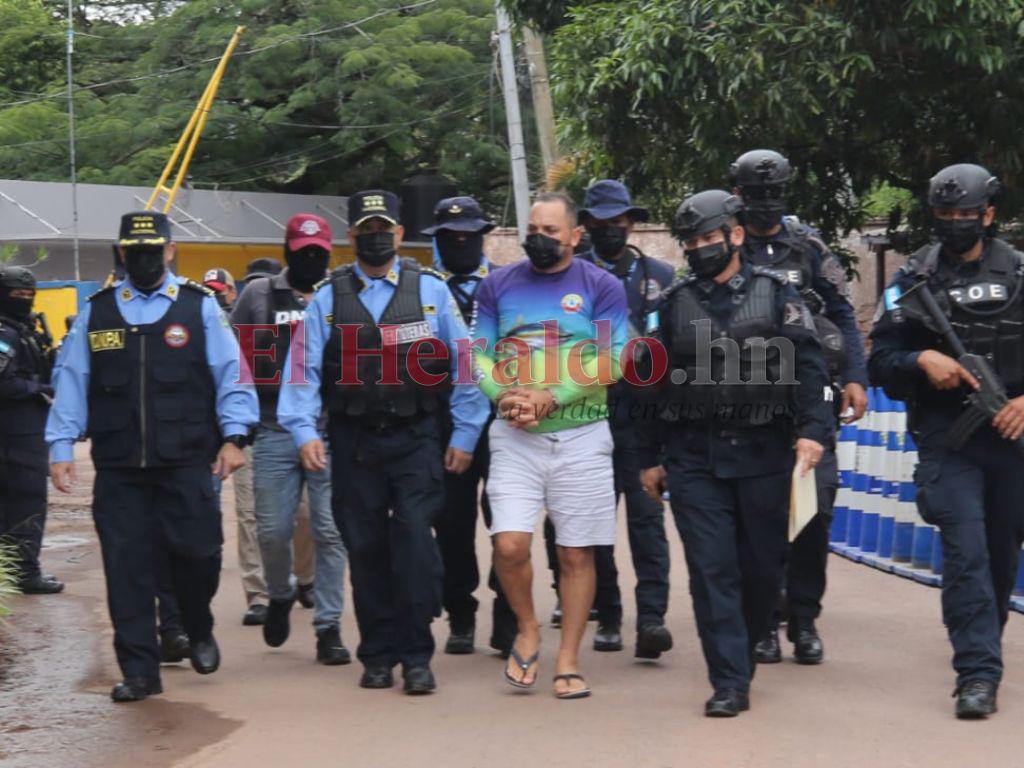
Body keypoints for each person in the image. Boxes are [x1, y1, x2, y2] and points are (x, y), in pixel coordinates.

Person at [279, 190, 489, 695]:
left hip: (417, 438)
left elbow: (466, 369)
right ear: (351, 237)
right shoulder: (329, 298)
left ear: (399, 233)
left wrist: (464, 433)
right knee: (367, 549)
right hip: (355, 443)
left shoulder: (432, 292)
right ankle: (377, 653)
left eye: (384, 227)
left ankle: (417, 656)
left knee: (416, 545)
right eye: (365, 228)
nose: (376, 236)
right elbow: (302, 372)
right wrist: (304, 431)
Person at [46, 211, 259, 703]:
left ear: (168, 251)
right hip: (121, 468)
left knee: (199, 556)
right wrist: (60, 447)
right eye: (133, 252)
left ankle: (197, 625)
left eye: (152, 251)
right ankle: (140, 670)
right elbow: (72, 382)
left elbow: (232, 376)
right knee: (127, 570)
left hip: (187, 462)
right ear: (122, 254)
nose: (143, 260)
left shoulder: (198, 307)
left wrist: (234, 437)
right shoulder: (97, 313)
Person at [638, 190, 831, 717]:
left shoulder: (777, 296)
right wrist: (647, 457)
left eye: (709, 238)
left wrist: (814, 430)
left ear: (736, 235)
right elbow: (645, 384)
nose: (702, 249)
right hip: (695, 457)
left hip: (766, 454)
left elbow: (810, 367)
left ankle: (741, 656)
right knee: (711, 569)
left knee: (761, 570)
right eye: (692, 242)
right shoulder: (672, 305)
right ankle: (727, 679)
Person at [869, 163, 1024, 719]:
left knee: (1002, 556)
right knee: (968, 553)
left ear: (989, 214)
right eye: (945, 215)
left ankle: (984, 634)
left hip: (1010, 439)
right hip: (948, 440)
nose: (956, 224)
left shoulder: (1020, 273)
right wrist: (921, 358)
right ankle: (977, 674)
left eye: (966, 215)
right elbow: (880, 359)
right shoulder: (913, 279)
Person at [473, 191, 629, 699]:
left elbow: (615, 358)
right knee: (509, 545)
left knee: (575, 554)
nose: (539, 239)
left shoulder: (602, 286)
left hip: (583, 436)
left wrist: (551, 396)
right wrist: (507, 398)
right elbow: (479, 354)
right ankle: (528, 626)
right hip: (515, 438)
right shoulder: (495, 286)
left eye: (551, 231)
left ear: (575, 236)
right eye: (533, 230)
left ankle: (568, 658)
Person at [729, 149, 869, 665]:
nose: (766, 204)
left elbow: (843, 314)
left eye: (775, 193)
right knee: (762, 516)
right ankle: (764, 621)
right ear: (739, 195)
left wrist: (855, 375)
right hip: (750, 401)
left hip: (813, 394)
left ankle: (804, 619)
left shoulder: (809, 246)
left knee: (815, 512)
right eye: (756, 194)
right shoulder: (727, 243)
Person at [232, 213, 350, 665]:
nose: (313, 260)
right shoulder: (258, 296)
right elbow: (236, 363)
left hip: (327, 431)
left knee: (328, 530)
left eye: (320, 253)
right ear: (287, 253)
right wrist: (236, 428)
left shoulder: (341, 294)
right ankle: (279, 593)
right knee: (273, 528)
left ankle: (329, 627)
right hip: (273, 428)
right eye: (304, 253)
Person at [576, 179, 675, 658]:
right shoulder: (570, 276)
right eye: (601, 223)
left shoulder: (659, 276)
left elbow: (673, 348)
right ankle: (609, 614)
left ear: (630, 223)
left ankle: (652, 619)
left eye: (618, 222)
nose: (611, 230)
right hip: (586, 413)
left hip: (643, 417)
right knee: (593, 522)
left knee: (646, 520)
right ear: (588, 225)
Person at [422, 195, 517, 656]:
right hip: (446, 424)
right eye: (450, 238)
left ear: (483, 238)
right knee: (453, 525)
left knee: (507, 522)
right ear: (436, 241)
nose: (460, 243)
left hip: (504, 421)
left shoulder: (506, 285)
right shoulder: (422, 289)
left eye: (468, 236)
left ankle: (508, 610)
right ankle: (460, 613)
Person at [231, 255, 316, 625]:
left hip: (303, 425)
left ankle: (304, 578)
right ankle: (260, 594)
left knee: (305, 514)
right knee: (253, 516)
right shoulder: (246, 313)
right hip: (256, 425)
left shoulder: (313, 304)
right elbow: (230, 368)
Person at [0, 265, 64, 594]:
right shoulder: (6, 333)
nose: (24, 300)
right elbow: (4, 382)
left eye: (29, 295)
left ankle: (13, 572)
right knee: (26, 501)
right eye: (17, 295)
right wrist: (38, 388)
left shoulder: (23, 328)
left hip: (24, 429)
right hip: (16, 432)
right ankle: (24, 572)